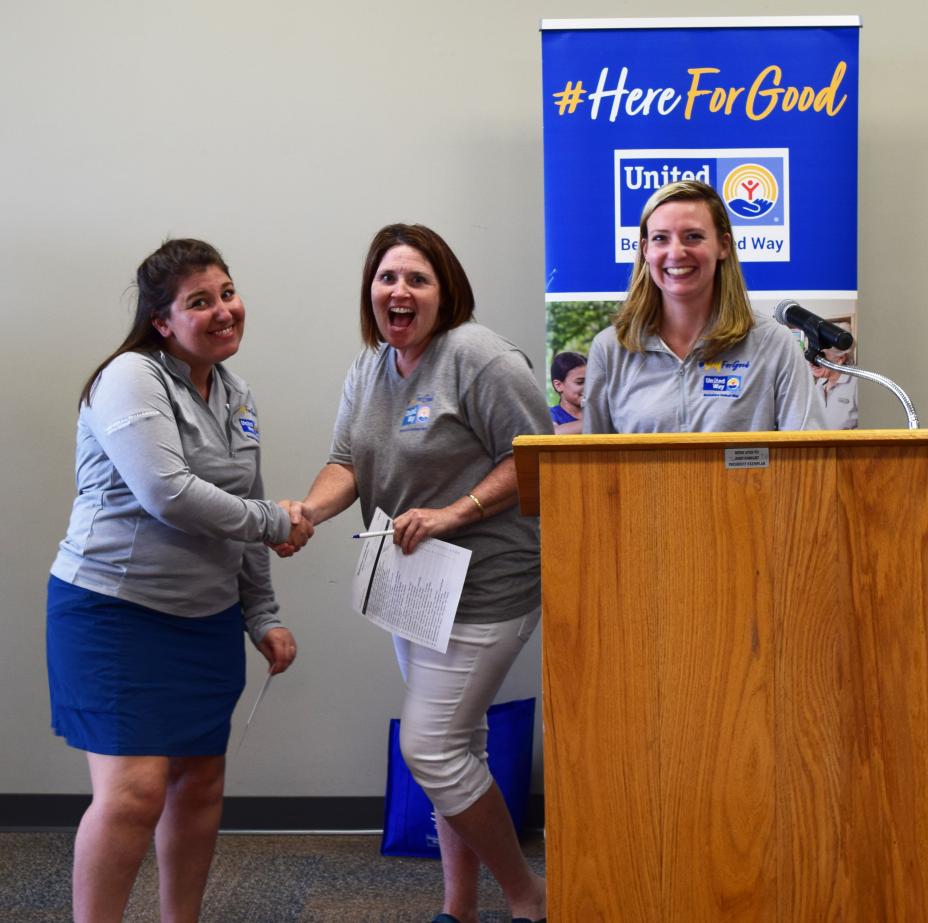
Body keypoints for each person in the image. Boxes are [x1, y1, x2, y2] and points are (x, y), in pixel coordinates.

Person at [277, 223, 550, 923]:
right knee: (460, 746)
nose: (398, 291)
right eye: (386, 278)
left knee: (430, 748)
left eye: (416, 279)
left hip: (490, 582)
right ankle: (458, 909)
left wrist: (456, 510)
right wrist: (308, 509)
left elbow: (536, 458)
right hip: (415, 581)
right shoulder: (370, 367)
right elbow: (348, 461)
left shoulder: (478, 358)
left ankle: (528, 896)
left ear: (445, 291)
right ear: (370, 292)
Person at [47, 239, 312, 923]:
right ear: (162, 321)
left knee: (199, 783)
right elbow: (170, 492)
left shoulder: (235, 391)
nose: (224, 310)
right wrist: (272, 520)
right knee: (135, 792)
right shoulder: (132, 377)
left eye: (227, 292)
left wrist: (264, 615)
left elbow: (242, 514)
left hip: (205, 619)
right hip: (115, 611)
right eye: (201, 302)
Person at [583, 180, 825, 434]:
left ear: (723, 245)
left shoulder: (773, 344)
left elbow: (809, 461)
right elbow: (591, 466)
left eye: (693, 237)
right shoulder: (610, 350)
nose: (676, 252)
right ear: (645, 250)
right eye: (660, 238)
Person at [810, 328, 858, 429]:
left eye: (820, 356)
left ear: (840, 359)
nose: (812, 363)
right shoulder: (821, 383)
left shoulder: (858, 383)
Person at [548, 351, 586, 434]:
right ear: (558, 385)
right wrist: (598, 422)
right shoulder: (550, 414)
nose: (587, 387)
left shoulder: (595, 413)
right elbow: (554, 433)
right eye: (579, 382)